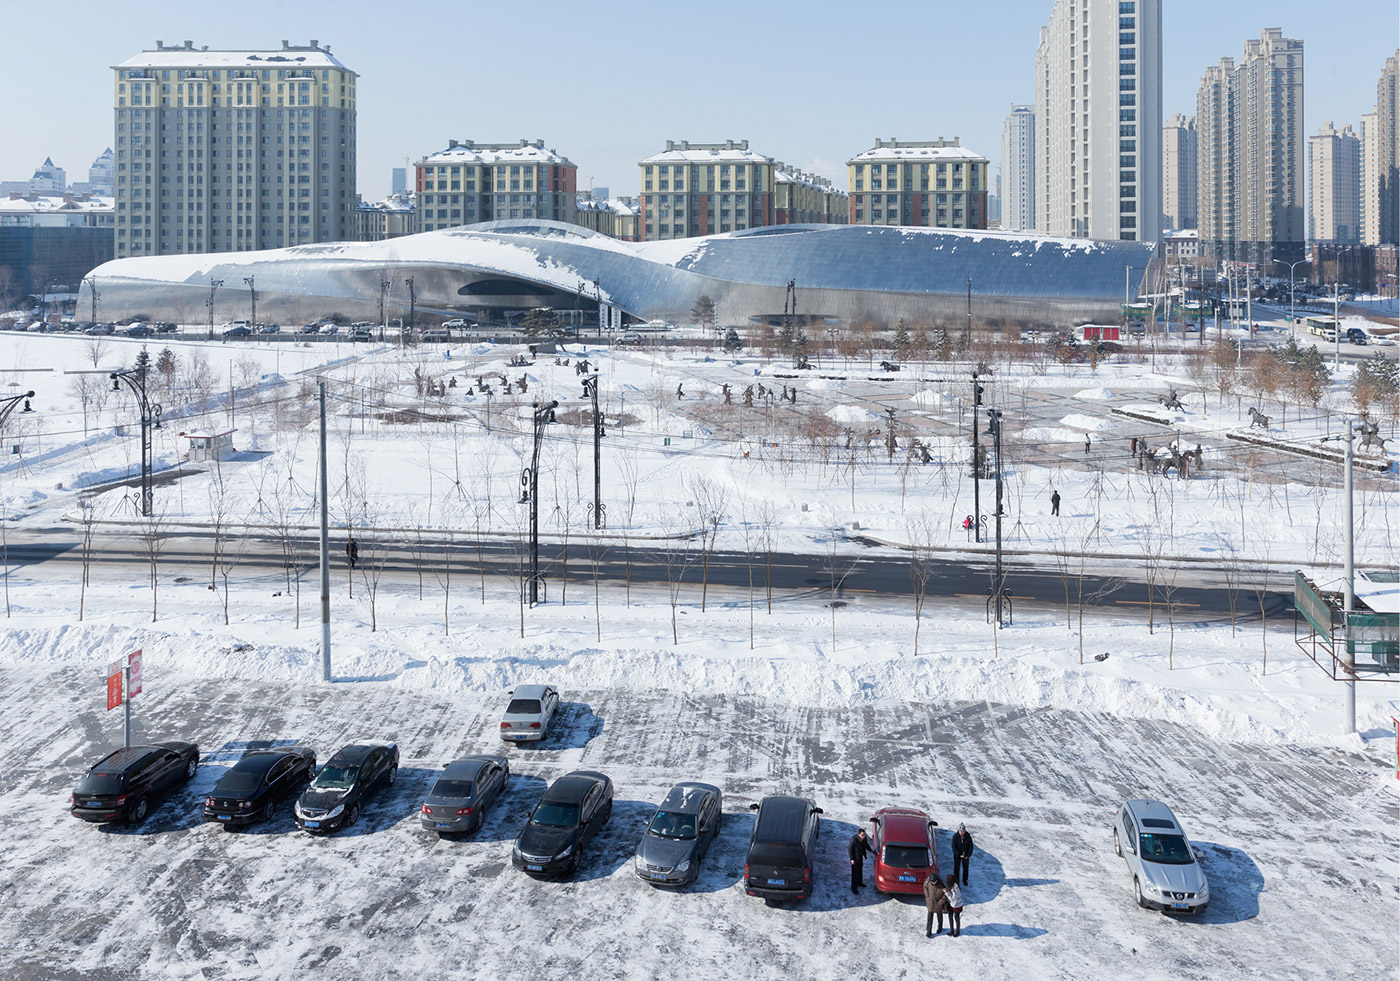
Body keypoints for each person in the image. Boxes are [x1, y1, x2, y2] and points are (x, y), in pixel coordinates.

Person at [923, 868, 949, 937]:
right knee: (929, 917)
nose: (932, 883)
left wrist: (940, 903)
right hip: (930, 903)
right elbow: (925, 887)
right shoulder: (928, 881)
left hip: (938, 904)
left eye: (933, 882)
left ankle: (940, 927)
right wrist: (927, 897)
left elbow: (945, 895)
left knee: (939, 916)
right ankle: (929, 931)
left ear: (937, 880)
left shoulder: (942, 885)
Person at [849, 827, 874, 893]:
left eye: (864, 835)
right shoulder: (854, 839)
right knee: (854, 873)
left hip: (860, 857)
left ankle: (859, 882)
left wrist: (871, 850)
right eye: (862, 835)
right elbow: (850, 849)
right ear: (859, 835)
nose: (864, 836)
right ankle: (854, 888)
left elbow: (866, 844)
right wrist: (852, 859)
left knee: (860, 870)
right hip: (855, 858)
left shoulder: (864, 838)